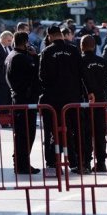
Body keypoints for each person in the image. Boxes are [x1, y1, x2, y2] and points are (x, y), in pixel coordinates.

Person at [39, 24, 86, 173]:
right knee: (74, 129)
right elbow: (82, 72)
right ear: (61, 34)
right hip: (73, 97)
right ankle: (77, 161)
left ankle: (54, 161)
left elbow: (42, 77)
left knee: (54, 130)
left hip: (54, 99)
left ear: (50, 36)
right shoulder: (73, 50)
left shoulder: (47, 52)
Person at [6, 31, 41, 175]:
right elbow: (35, 74)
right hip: (25, 100)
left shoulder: (10, 56)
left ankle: (20, 163)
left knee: (21, 133)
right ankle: (22, 164)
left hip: (17, 98)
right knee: (26, 133)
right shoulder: (21, 58)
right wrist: (35, 58)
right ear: (26, 42)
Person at [80, 35, 107, 172]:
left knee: (85, 132)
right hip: (100, 100)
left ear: (82, 46)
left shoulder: (79, 62)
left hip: (84, 101)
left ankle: (86, 162)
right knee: (100, 132)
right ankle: (101, 162)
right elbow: (106, 83)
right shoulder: (103, 62)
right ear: (94, 46)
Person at [0, 31, 14, 107]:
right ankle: (3, 116)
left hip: (10, 78)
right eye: (9, 41)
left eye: (11, 41)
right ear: (3, 39)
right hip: (1, 78)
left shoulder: (10, 47)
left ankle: (10, 116)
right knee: (3, 99)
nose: (10, 42)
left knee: (9, 99)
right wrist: (10, 62)